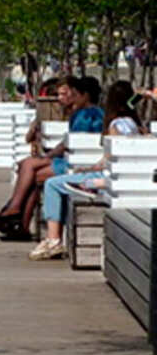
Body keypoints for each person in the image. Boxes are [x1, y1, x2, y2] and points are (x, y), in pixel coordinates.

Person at [29, 80, 143, 260]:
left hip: (107, 181)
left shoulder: (116, 126)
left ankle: (53, 239)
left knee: (52, 184)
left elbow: (109, 162)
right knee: (58, 180)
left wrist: (90, 172)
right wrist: (88, 168)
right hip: (118, 179)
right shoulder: (133, 123)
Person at [0, 76, 98, 237]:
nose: (67, 98)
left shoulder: (88, 116)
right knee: (28, 167)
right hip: (72, 160)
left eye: (73, 94)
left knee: (30, 169)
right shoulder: (82, 114)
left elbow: (73, 144)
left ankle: (14, 213)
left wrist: (48, 156)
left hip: (78, 164)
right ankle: (17, 220)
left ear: (85, 95)